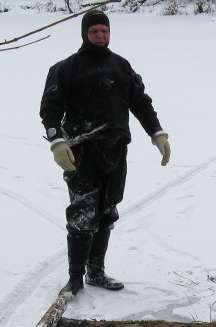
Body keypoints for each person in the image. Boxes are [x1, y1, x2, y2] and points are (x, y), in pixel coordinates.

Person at [40, 9, 171, 297]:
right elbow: (49, 110)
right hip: (82, 152)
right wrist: (57, 141)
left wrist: (156, 132)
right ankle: (75, 278)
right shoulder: (65, 69)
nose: (100, 36)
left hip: (115, 150)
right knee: (82, 213)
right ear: (85, 33)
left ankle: (95, 272)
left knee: (106, 211)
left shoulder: (121, 66)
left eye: (104, 31)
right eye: (94, 31)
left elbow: (141, 103)